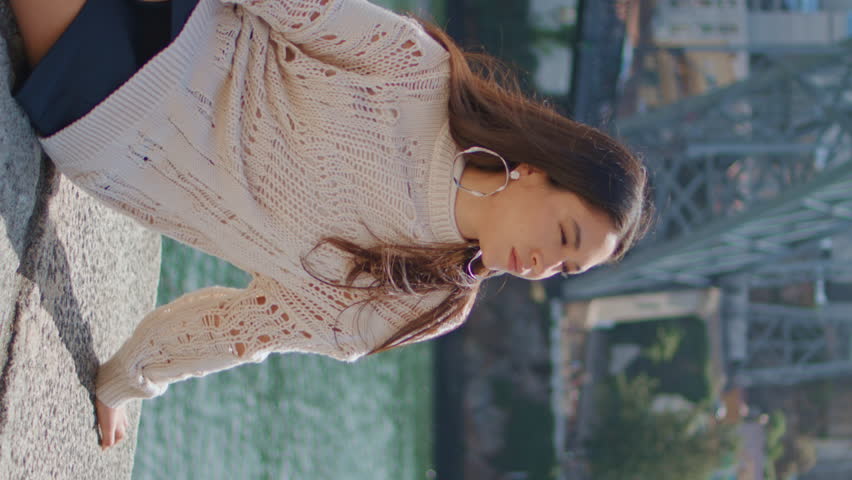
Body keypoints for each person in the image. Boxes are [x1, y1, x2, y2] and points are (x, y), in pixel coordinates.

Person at [8, 0, 654, 450]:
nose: (543, 262)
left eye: (565, 267)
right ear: (541, 168)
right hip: (191, 18)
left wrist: (127, 380)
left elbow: (242, 329)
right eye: (563, 236)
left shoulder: (421, 301)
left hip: (125, 119)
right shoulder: (419, 72)